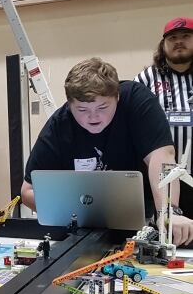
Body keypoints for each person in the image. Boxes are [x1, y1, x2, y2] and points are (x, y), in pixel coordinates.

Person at [21, 57, 193, 246]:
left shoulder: (136, 99)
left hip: (144, 217)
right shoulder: (59, 125)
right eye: (82, 109)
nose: (93, 117)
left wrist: (169, 212)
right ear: (69, 104)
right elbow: (28, 191)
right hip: (83, 228)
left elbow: (162, 156)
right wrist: (75, 213)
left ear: (117, 97)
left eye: (102, 107)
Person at [134, 17, 193, 215]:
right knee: (166, 233)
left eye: (186, 36)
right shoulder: (146, 78)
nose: (179, 41)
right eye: (172, 37)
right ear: (163, 44)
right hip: (159, 179)